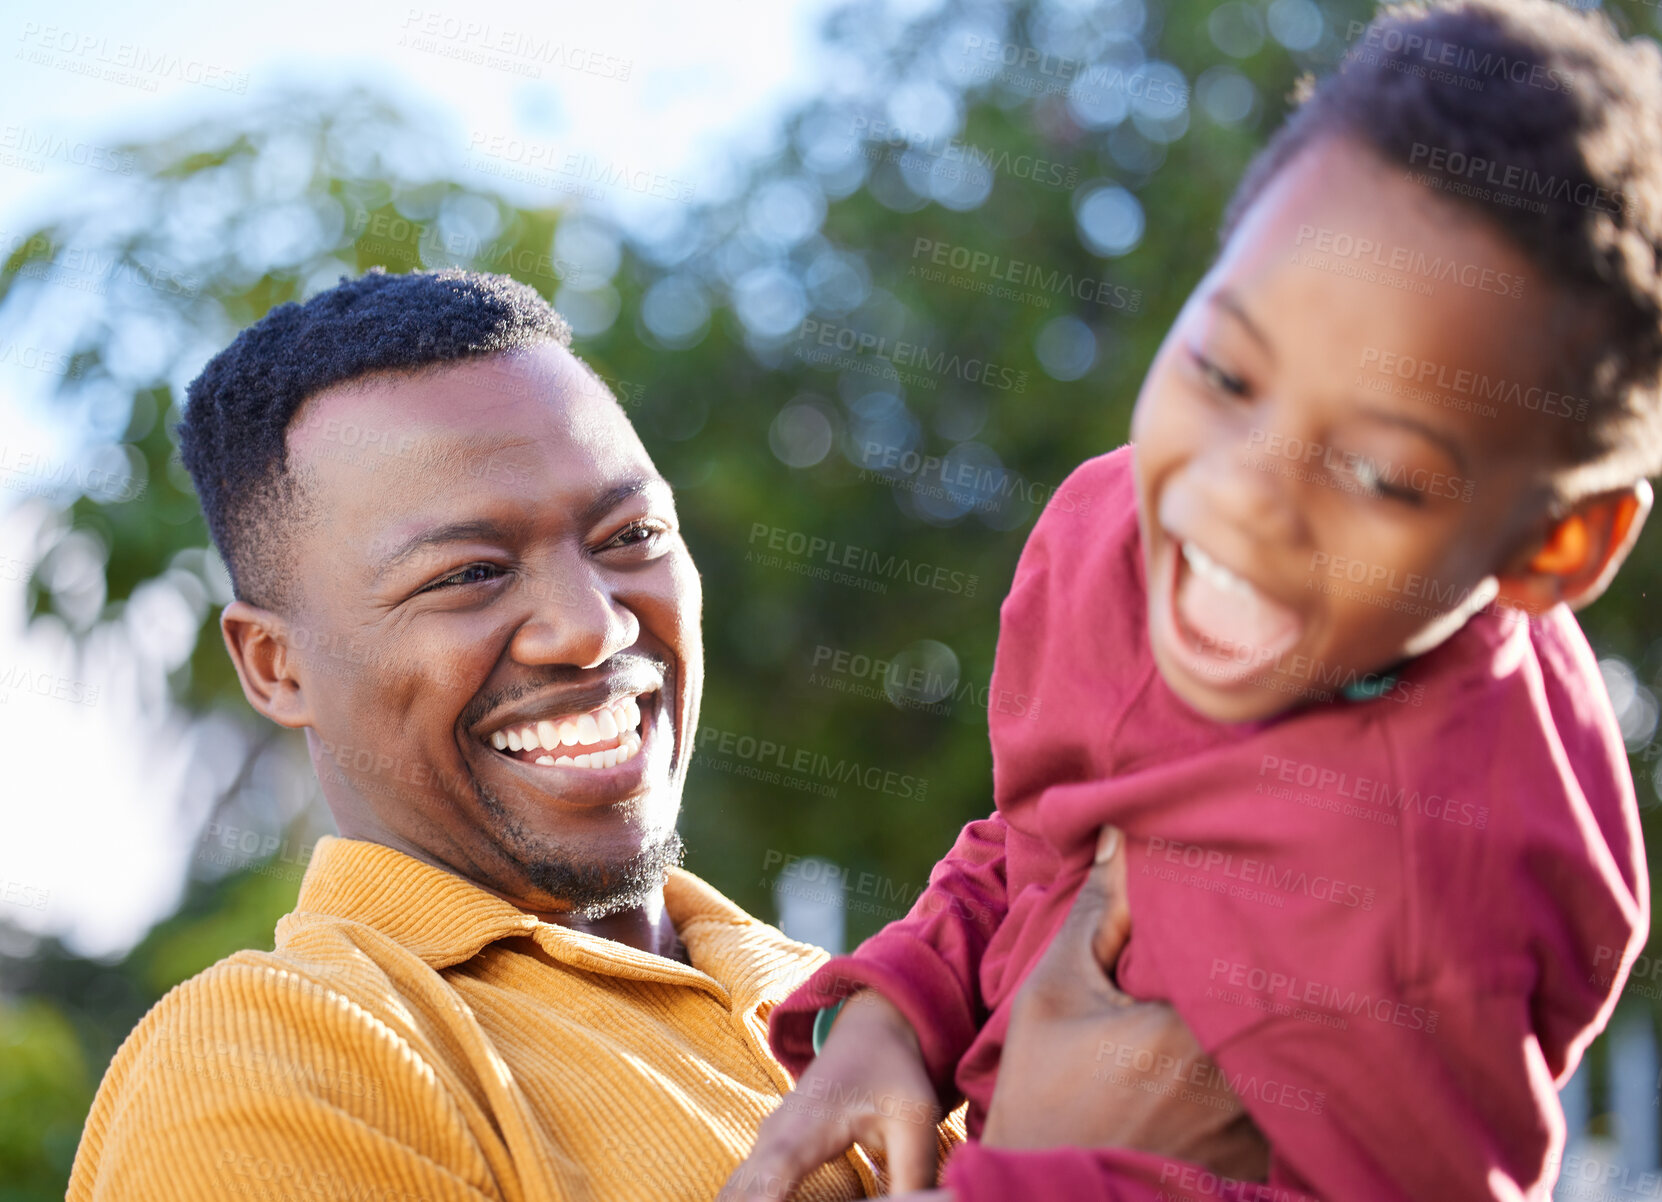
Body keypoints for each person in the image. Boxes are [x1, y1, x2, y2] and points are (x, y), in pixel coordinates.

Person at [727, 1, 1661, 1198]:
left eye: (1378, 472)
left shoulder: (1429, 894)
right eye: (1225, 371)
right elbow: (1039, 837)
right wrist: (899, 1008)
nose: (1239, 498)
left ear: (1553, 546)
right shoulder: (1115, 537)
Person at [65, 268, 977, 1201]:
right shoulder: (274, 1061)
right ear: (273, 664)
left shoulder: (859, 1002)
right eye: (469, 574)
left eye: (630, 535)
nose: (592, 627)